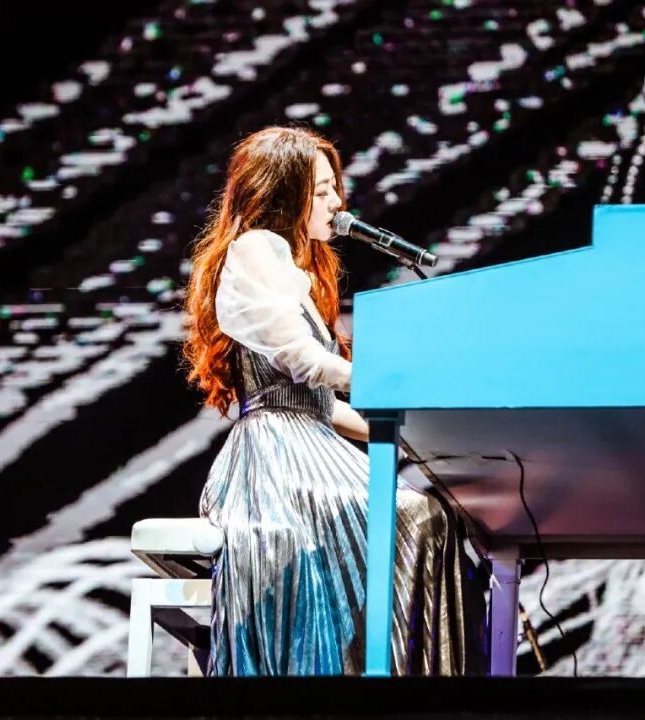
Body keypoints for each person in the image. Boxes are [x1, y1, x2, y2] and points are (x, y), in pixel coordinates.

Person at [182, 126, 487, 676]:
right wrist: (388, 383)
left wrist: (419, 433)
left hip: (307, 442)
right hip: (275, 460)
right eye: (322, 191)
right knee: (416, 516)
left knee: (430, 514)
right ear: (285, 193)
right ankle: (378, 674)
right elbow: (303, 362)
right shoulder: (255, 248)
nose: (336, 203)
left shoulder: (286, 266)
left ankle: (389, 672)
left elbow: (320, 405)